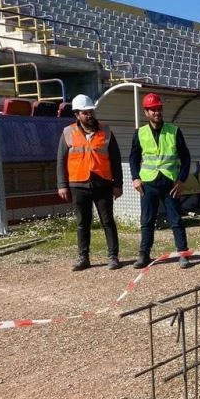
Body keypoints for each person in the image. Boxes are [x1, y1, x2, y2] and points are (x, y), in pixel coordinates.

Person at [56, 94, 123, 271]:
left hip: (103, 184)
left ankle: (113, 256)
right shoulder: (68, 132)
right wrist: (62, 185)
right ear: (77, 114)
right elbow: (61, 160)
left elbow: (115, 160)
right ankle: (83, 257)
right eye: (85, 113)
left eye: (91, 111)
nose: (89, 115)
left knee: (107, 221)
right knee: (82, 223)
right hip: (78, 185)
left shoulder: (106, 131)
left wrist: (118, 185)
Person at [129, 92, 192, 269]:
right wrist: (135, 178)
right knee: (147, 221)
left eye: (159, 109)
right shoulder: (140, 133)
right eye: (153, 110)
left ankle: (183, 253)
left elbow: (186, 157)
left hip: (170, 183)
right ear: (146, 112)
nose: (157, 112)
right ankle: (144, 255)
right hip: (148, 184)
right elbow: (133, 157)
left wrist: (181, 180)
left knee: (176, 220)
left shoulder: (174, 131)